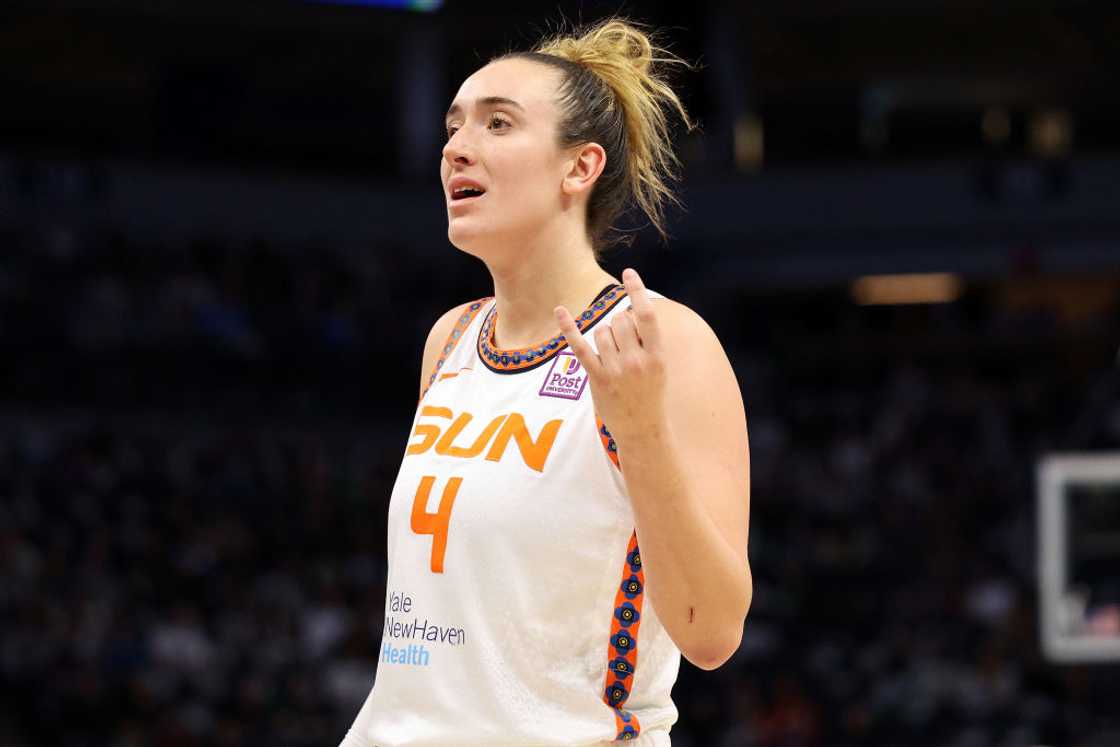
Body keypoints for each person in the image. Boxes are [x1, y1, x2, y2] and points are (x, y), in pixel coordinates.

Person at [341, 17, 751, 747]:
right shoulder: (452, 339)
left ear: (579, 167)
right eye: (454, 124)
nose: (456, 146)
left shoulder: (663, 340)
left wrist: (642, 432)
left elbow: (712, 631)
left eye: (498, 123)